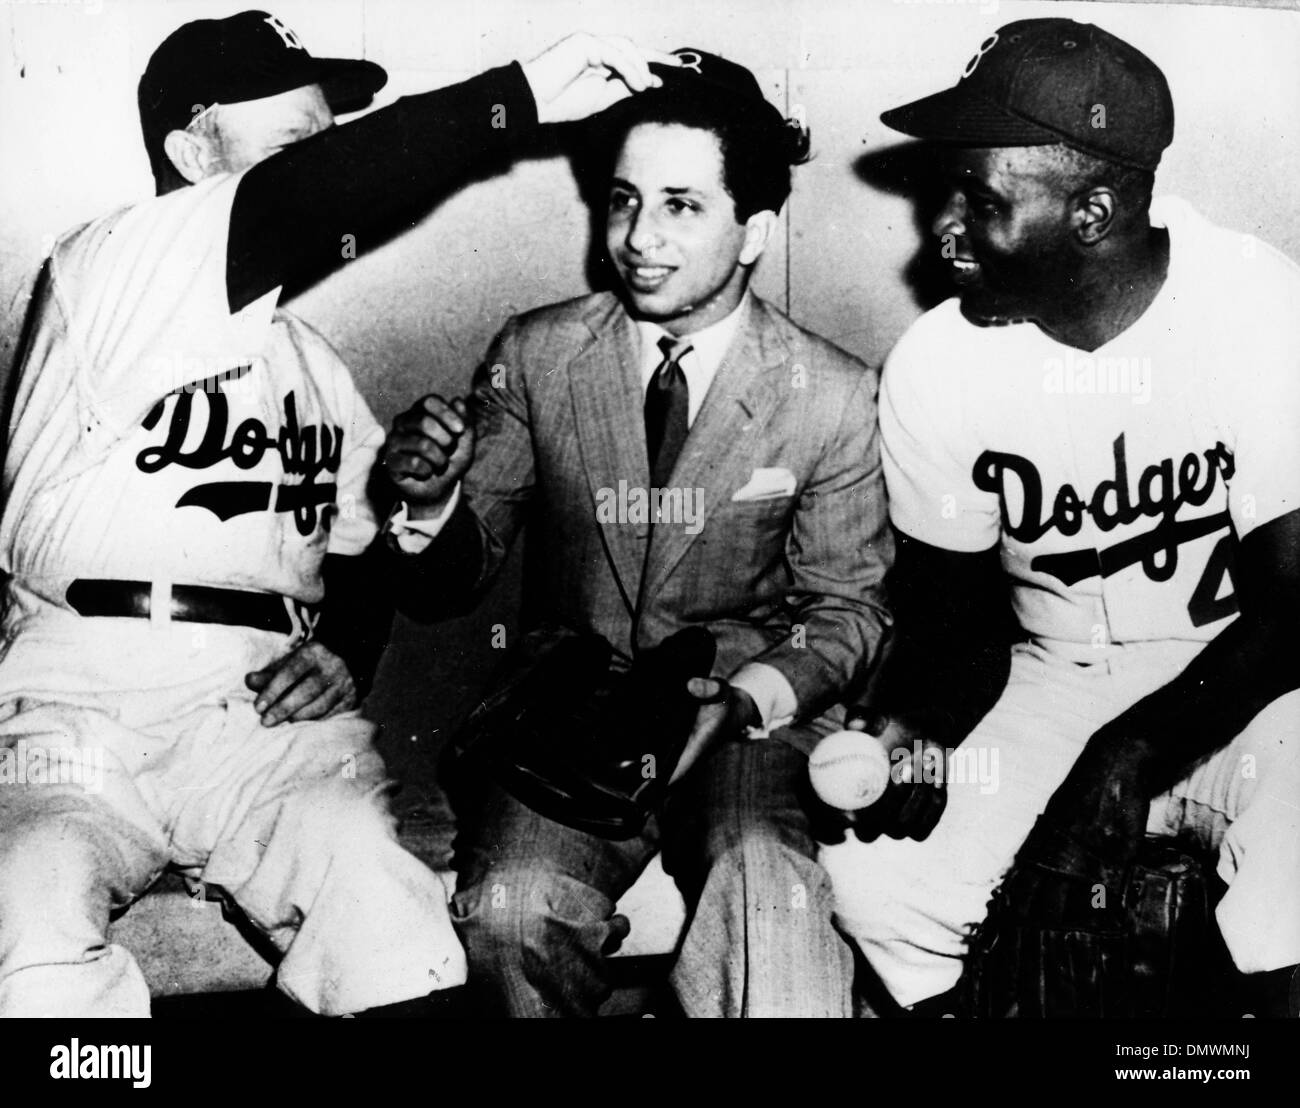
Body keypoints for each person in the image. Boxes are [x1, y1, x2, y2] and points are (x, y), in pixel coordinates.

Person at [0, 8, 673, 1017]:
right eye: (294, 143)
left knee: (386, 914)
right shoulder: (110, 266)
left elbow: (412, 571)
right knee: (31, 904)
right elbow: (306, 199)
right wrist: (512, 100)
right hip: (82, 694)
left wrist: (396, 546)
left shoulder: (306, 361)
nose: (325, 162)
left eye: (330, 138)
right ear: (191, 152)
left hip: (257, 716)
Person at [379, 49, 893, 1017]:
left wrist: (741, 703)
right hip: (568, 721)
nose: (636, 239)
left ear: (755, 231)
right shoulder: (536, 354)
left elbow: (847, 613)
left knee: (767, 890)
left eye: (680, 206)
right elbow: (455, 574)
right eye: (622, 202)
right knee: (506, 909)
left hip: (742, 721)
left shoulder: (831, 392)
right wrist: (431, 499)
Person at [820, 18, 1300, 1017]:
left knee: (1292, 889)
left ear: (1092, 211)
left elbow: (1295, 607)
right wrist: (918, 720)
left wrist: (1121, 761)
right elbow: (955, 627)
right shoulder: (939, 363)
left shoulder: (1253, 305)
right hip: (1055, 681)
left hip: (1248, 674)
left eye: (980, 199)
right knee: (882, 889)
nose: (943, 229)